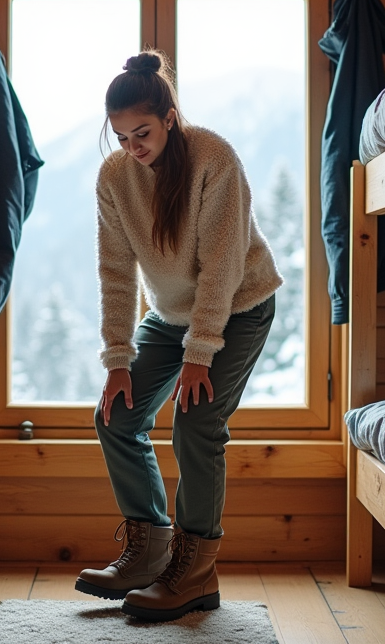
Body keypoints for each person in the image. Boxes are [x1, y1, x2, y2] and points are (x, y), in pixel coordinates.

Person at [75, 50, 282, 622]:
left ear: (170, 117)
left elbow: (221, 269)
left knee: (197, 419)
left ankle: (195, 571)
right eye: (120, 137)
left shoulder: (215, 158)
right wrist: (118, 360)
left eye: (141, 132)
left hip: (237, 307)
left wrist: (200, 356)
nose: (132, 147)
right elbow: (115, 272)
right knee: (116, 414)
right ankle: (149, 551)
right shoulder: (115, 177)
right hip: (168, 317)